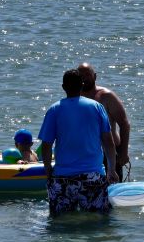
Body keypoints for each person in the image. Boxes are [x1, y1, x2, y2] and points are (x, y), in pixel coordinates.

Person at [39, 69, 117, 216]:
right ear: (82, 85)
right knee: (100, 222)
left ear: (63, 87)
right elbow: (108, 142)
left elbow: (46, 145)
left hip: (63, 178)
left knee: (59, 223)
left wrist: (48, 169)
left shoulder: (54, 110)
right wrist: (111, 169)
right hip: (92, 176)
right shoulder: (96, 107)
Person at [78, 62, 132, 181]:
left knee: (111, 192)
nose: (84, 78)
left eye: (87, 74)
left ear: (95, 76)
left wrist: (124, 152)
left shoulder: (106, 96)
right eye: (81, 75)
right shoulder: (74, 98)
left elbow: (124, 124)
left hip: (109, 153)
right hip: (86, 154)